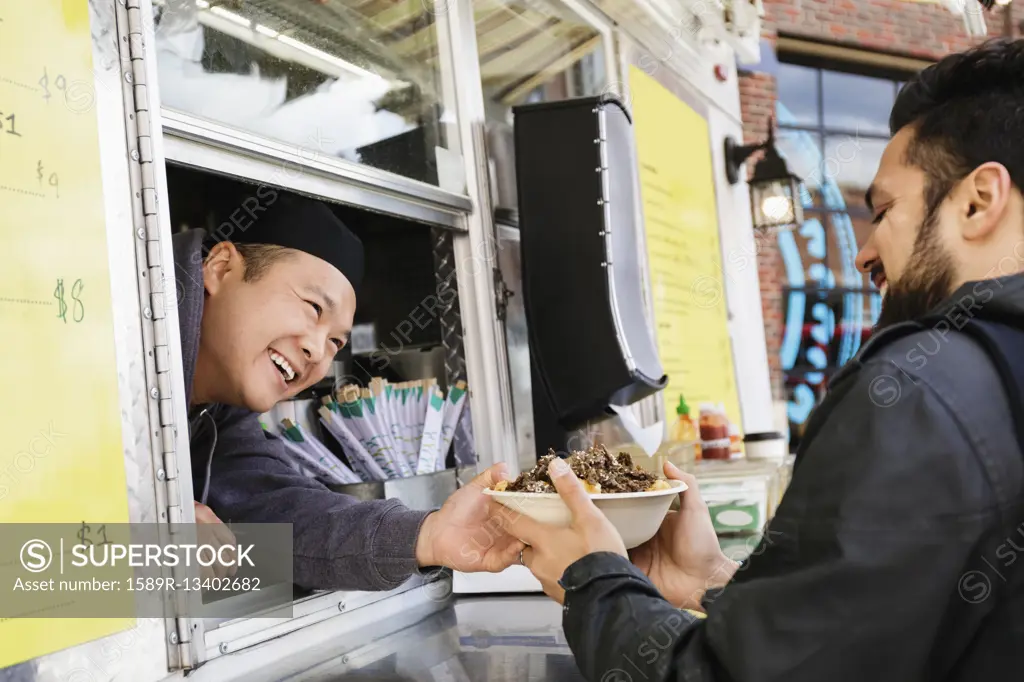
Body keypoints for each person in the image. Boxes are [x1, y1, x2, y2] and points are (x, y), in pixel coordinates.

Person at [496, 39, 1024, 681]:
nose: (862, 254)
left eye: (882, 211)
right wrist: (713, 579)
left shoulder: (919, 386)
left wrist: (594, 580)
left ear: (978, 200)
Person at [173, 191, 523, 590]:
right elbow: (91, 578)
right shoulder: (108, 340)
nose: (315, 351)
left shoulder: (220, 417)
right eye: (312, 307)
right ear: (219, 268)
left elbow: (285, 516)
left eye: (336, 343)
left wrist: (426, 536)